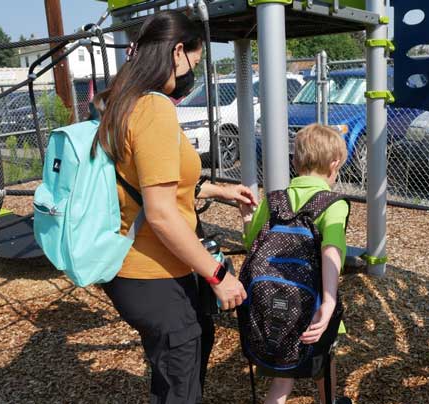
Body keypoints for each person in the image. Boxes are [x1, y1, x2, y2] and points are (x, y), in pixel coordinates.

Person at [92, 11, 256, 404]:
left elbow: (144, 181)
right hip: (153, 269)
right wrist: (218, 275)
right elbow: (162, 213)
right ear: (177, 52)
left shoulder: (118, 101)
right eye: (195, 64)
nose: (191, 74)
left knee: (181, 364)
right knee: (180, 384)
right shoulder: (154, 108)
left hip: (132, 267)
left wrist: (216, 190)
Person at [240, 124, 352, 404]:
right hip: (312, 301)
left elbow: (251, 244)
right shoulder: (333, 204)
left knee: (282, 376)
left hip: (271, 301)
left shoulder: (275, 199)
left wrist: (246, 218)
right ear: (334, 164)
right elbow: (331, 251)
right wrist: (328, 302)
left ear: (295, 161)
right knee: (324, 361)